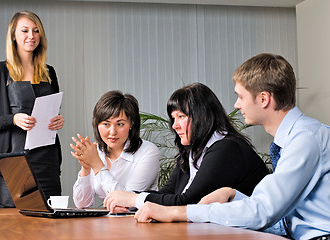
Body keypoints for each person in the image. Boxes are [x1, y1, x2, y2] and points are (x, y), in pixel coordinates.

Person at [133, 53, 330, 240]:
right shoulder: (293, 139)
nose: (236, 105)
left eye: (240, 96)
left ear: (263, 99)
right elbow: (283, 219)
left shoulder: (305, 140)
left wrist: (177, 212)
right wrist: (234, 195)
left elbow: (263, 212)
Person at [103, 83, 269, 213]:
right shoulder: (192, 151)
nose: (174, 126)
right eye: (173, 118)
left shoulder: (226, 149)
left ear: (202, 117)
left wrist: (132, 199)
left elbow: (187, 203)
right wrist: (129, 203)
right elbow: (168, 194)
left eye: (181, 116)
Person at [0, 11, 64, 208]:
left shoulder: (49, 72)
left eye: (36, 31)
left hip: (47, 160)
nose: (31, 36)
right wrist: (13, 119)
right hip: (14, 162)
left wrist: (59, 119)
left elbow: (53, 111)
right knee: (12, 228)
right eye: (24, 30)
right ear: (13, 36)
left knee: (51, 224)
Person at [71, 90, 160, 208]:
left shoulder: (148, 151)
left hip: (139, 221)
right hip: (106, 222)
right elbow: (82, 204)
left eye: (120, 124)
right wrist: (86, 168)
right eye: (106, 124)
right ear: (97, 125)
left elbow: (129, 202)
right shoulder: (96, 152)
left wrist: (97, 165)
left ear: (131, 123)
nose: (112, 132)